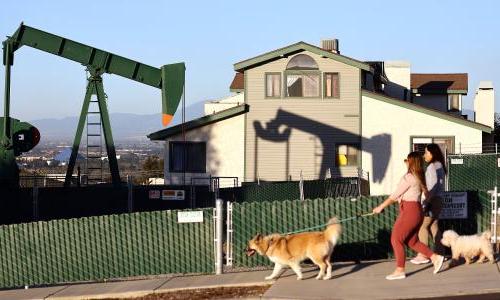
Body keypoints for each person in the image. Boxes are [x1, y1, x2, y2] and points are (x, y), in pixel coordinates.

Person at [372, 152, 445, 280]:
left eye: (407, 160)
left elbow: (394, 195)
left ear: (411, 162)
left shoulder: (409, 177)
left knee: (396, 239)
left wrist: (380, 207)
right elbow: (427, 195)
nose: (405, 161)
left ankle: (400, 270)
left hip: (409, 211)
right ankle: (435, 257)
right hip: (416, 211)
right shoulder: (419, 177)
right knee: (412, 241)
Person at [411, 144, 447, 264]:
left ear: (432, 153)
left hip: (433, 200)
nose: (424, 155)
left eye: (426, 153)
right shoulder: (440, 165)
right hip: (440, 199)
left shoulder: (432, 167)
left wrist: (426, 202)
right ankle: (441, 253)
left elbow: (432, 187)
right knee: (433, 225)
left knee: (422, 226)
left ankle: (424, 255)